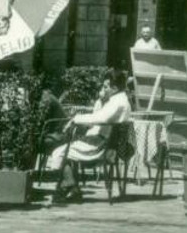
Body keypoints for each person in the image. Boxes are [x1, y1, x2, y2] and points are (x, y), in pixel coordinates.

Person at [49, 69, 132, 204]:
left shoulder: (118, 102)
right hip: (107, 142)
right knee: (66, 149)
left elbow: (99, 117)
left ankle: (70, 185)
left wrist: (76, 118)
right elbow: (100, 114)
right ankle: (71, 186)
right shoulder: (120, 99)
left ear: (115, 88)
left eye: (106, 87)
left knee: (59, 152)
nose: (103, 89)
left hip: (101, 145)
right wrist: (101, 100)